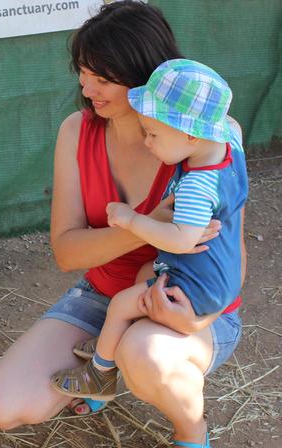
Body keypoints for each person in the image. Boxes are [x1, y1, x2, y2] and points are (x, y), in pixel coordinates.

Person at [0, 0, 246, 448]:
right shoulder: (76, 132)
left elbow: (231, 251)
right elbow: (66, 251)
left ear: (144, 78)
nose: (86, 89)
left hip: (189, 303)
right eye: (83, 73)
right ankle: (106, 373)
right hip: (102, 294)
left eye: (102, 78)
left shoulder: (210, 137)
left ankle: (192, 437)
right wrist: (147, 226)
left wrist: (201, 319)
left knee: (145, 353)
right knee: (5, 406)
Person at [52, 59, 248, 402]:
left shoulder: (194, 185)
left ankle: (100, 373)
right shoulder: (229, 153)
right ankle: (115, 346)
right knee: (144, 272)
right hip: (216, 277)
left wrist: (133, 220)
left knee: (122, 305)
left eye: (153, 134)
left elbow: (182, 239)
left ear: (190, 135)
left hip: (195, 288)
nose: (148, 143)